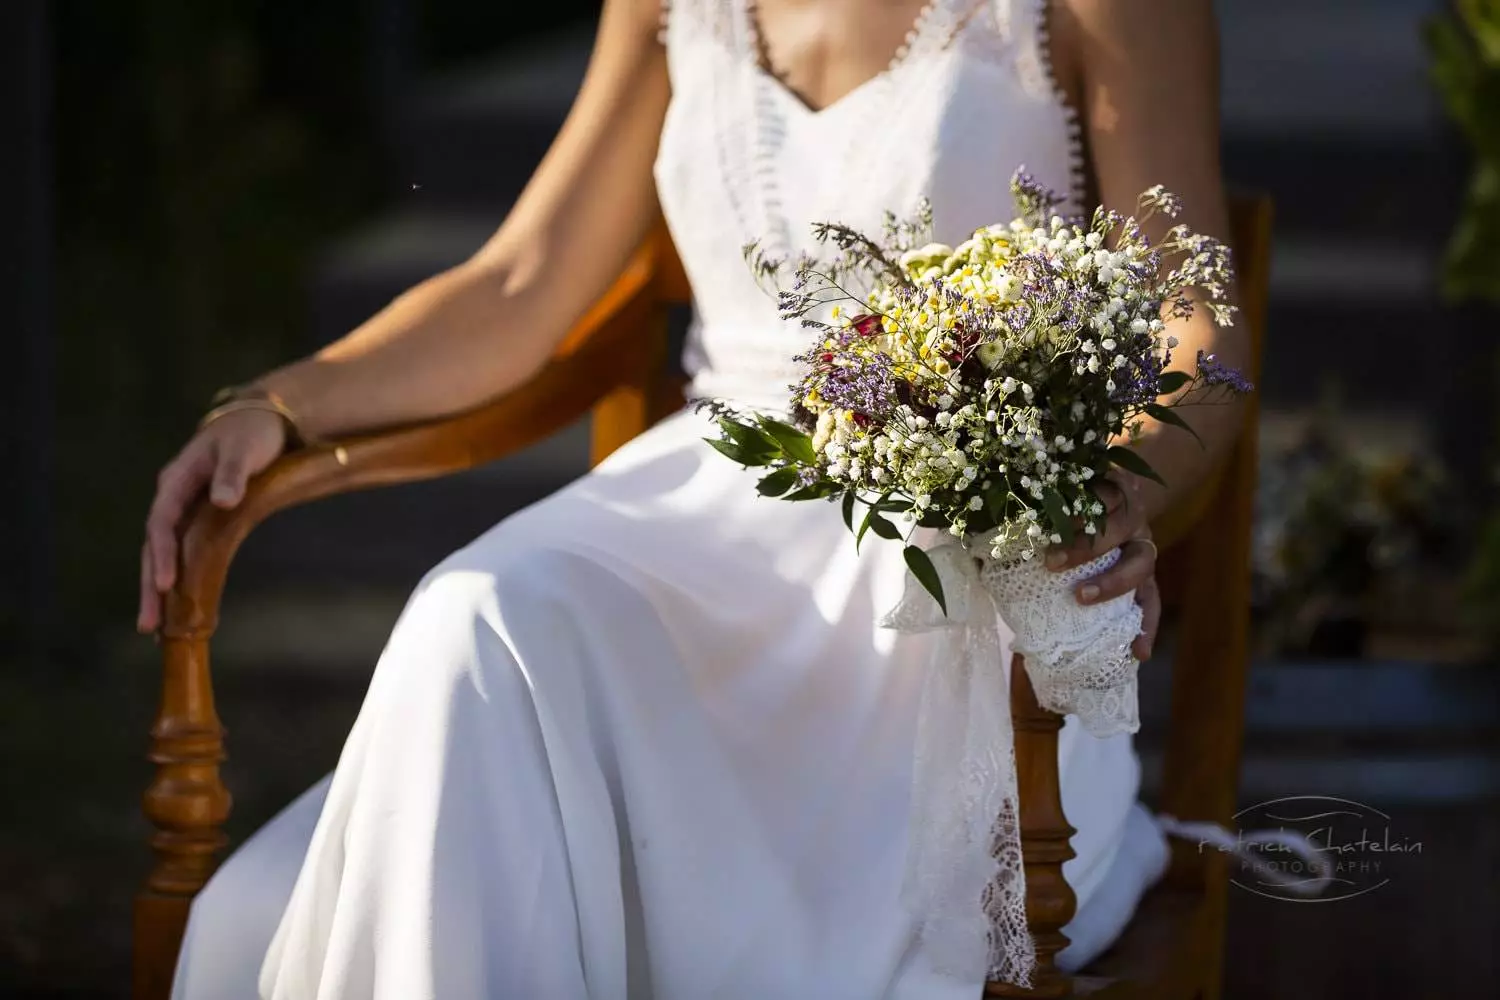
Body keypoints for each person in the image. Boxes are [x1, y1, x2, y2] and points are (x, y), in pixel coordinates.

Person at [142, 1, 1249, 997]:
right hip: (694, 510)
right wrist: (281, 406)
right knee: (473, 613)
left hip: (940, 554)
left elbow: (1197, 331)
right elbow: (523, 282)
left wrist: (1103, 491)